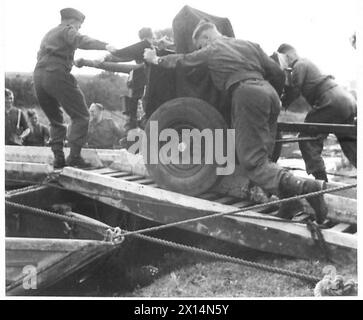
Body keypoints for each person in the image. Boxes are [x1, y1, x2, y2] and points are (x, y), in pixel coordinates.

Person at [143, 21, 328, 223]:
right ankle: (290, 203)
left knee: (252, 161)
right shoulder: (249, 44)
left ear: (205, 38)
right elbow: (276, 71)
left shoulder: (214, 47)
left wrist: (156, 60)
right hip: (269, 94)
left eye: (200, 45)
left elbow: (185, 60)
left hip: (247, 95)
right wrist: (268, 91)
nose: (201, 49)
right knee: (264, 157)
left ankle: (308, 189)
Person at [33, 7, 117, 168]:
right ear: (73, 21)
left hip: (38, 76)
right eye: (79, 25)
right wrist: (105, 46)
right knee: (82, 116)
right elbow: (81, 40)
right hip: (56, 74)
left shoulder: (49, 33)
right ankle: (74, 157)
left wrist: (71, 61)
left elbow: (47, 55)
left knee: (55, 120)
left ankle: (58, 158)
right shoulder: (68, 29)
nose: (79, 28)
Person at [277, 44, 357, 182]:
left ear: (288, 56)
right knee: (349, 142)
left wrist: (279, 101)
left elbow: (294, 90)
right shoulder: (308, 63)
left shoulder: (299, 65)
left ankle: (321, 182)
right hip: (347, 99)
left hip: (331, 101)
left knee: (306, 137)